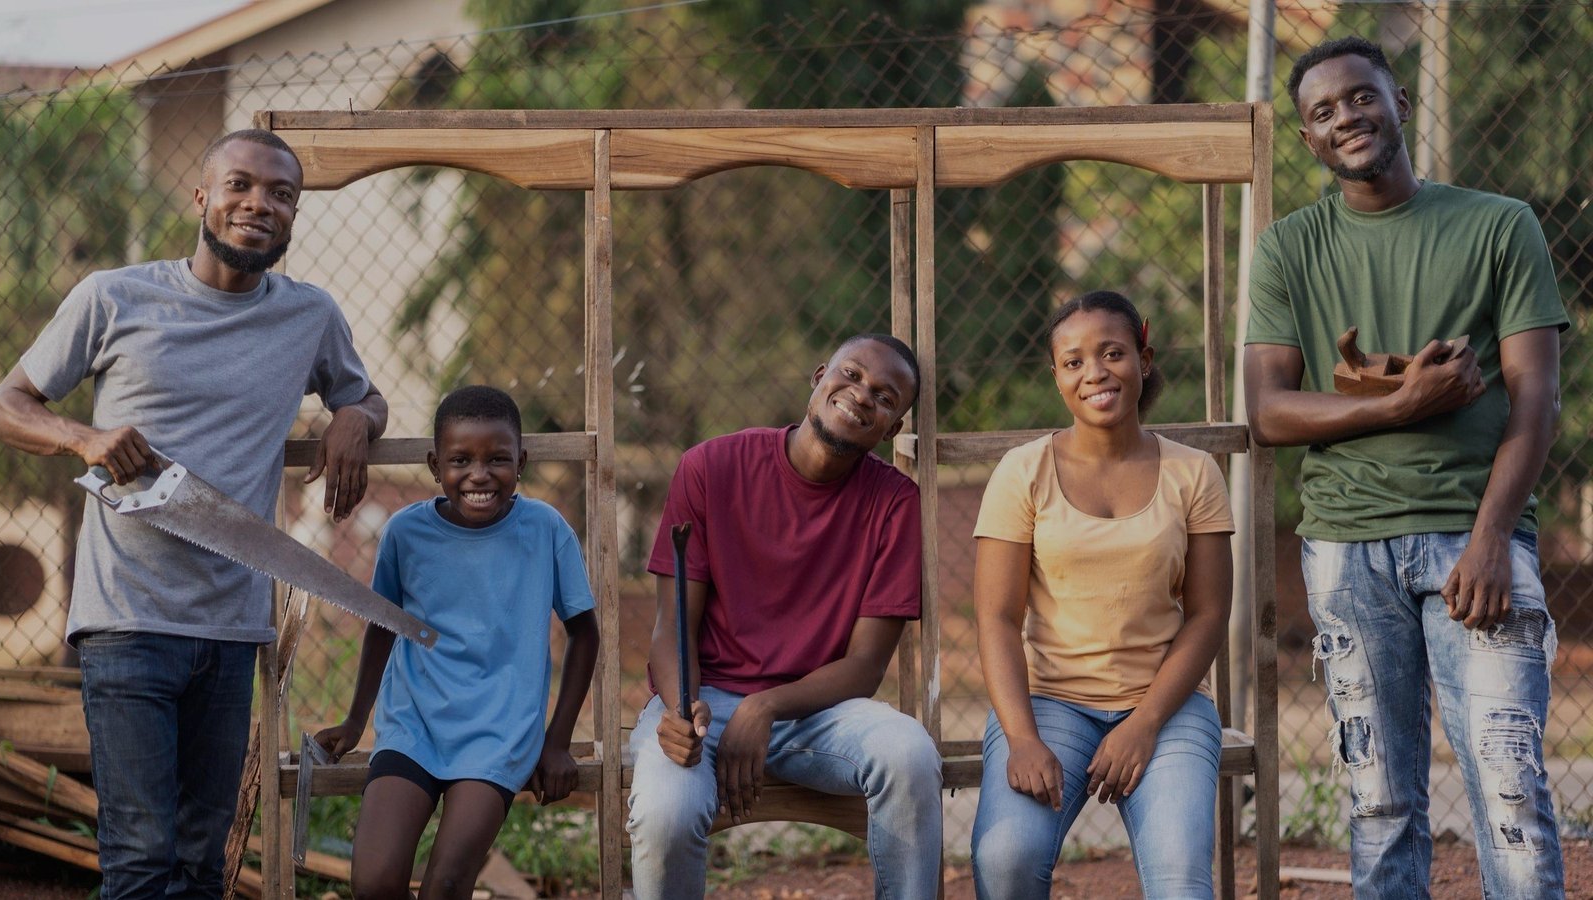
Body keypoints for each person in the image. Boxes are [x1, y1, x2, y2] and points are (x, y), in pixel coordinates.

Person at [0, 129, 388, 898]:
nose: (259, 205)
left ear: (294, 215)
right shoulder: (114, 296)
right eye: (240, 185)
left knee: (205, 865)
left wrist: (355, 418)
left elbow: (363, 393)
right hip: (128, 621)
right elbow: (7, 404)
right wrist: (86, 437)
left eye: (280, 195)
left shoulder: (310, 316)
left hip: (232, 628)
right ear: (202, 197)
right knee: (141, 860)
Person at [1245, 36, 1568, 898]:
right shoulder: (1288, 249)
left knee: (1509, 788)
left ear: (1399, 102)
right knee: (1380, 802)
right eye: (1322, 112)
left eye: (1360, 97)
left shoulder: (1500, 223)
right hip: (1348, 549)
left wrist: (1494, 536)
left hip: (1477, 539)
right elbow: (1269, 410)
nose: (1345, 117)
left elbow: (1537, 398)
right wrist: (1398, 405)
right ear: (1308, 140)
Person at [625, 333, 942, 899]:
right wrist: (680, 710)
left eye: (885, 396)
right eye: (850, 374)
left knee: (909, 753)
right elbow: (672, 630)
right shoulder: (710, 466)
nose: (861, 394)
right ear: (819, 377)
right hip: (704, 703)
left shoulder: (895, 502)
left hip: (817, 713)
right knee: (665, 815)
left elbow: (866, 665)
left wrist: (766, 706)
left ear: (892, 429)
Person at [969, 291, 1233, 899]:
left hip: (1165, 707)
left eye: (1112, 353)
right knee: (1006, 859)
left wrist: (1143, 724)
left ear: (1143, 357)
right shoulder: (1022, 471)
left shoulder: (1194, 472)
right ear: (1057, 376)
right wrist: (1022, 737)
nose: (1095, 373)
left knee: (1181, 880)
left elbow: (1209, 614)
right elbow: (997, 618)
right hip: (1050, 704)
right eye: (1073, 362)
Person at [315, 385, 599, 900]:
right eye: (460, 460)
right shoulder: (405, 532)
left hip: (500, 733)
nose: (479, 475)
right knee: (375, 882)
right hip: (414, 725)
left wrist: (556, 741)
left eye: (498, 459)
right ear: (433, 464)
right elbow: (383, 624)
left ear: (522, 462)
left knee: (445, 885)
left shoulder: (545, 529)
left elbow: (585, 633)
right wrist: (357, 721)